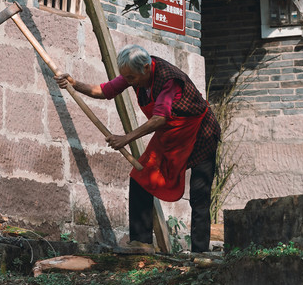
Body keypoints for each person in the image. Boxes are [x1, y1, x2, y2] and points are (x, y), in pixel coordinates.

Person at [56, 44, 220, 252]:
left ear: (146, 68)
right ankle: (141, 242)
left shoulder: (169, 80)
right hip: (171, 134)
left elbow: (159, 118)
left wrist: (126, 138)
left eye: (131, 78)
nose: (129, 82)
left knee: (199, 193)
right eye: (126, 78)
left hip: (200, 133)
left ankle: (201, 252)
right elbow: (105, 91)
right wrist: (74, 83)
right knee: (141, 177)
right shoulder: (134, 72)